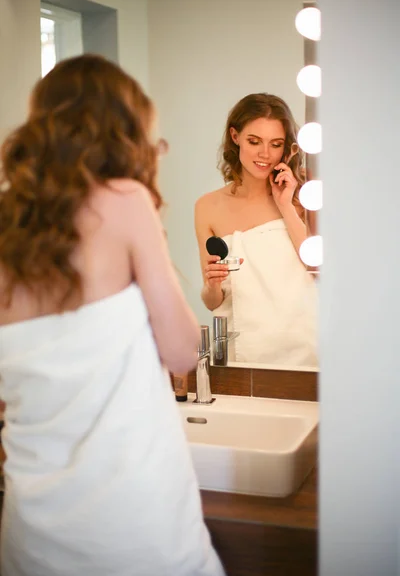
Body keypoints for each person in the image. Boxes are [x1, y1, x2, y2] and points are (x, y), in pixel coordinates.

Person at [0, 54, 225, 576]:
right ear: (124, 130)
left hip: (32, 529)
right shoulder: (125, 201)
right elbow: (182, 351)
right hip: (132, 519)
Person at [195, 93, 318, 366]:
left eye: (276, 144)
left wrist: (285, 206)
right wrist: (211, 284)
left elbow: (319, 270)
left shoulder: (306, 195)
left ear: (288, 149)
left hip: (301, 351)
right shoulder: (207, 206)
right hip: (238, 358)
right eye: (254, 142)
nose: (265, 155)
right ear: (235, 136)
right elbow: (212, 301)